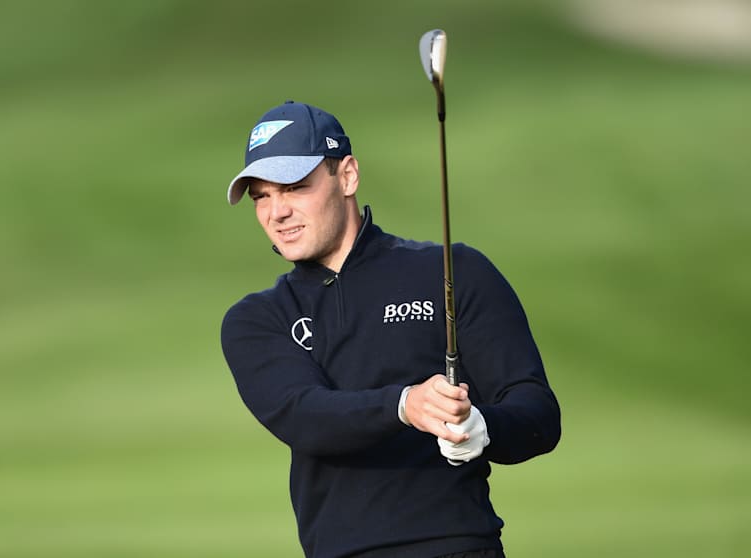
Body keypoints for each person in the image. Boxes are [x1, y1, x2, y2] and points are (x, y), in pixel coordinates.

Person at [220, 100, 561, 558]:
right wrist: (405, 405)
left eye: (295, 187)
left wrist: (484, 427)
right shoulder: (258, 319)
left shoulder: (453, 272)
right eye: (261, 196)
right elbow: (305, 415)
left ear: (347, 176)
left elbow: (537, 412)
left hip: (459, 548)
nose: (276, 212)